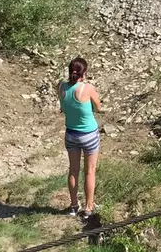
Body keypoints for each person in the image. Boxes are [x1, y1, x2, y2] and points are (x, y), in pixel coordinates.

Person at [58, 57, 102, 218]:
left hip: (71, 133)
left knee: (73, 170)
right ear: (84, 73)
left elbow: (62, 107)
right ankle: (89, 207)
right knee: (90, 171)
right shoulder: (87, 88)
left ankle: (73, 205)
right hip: (88, 134)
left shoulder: (61, 87)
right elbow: (98, 107)